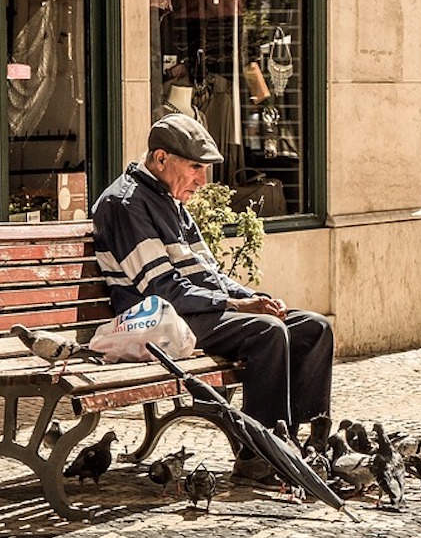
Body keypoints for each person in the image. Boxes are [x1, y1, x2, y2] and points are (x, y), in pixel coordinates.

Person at [91, 114, 334, 488]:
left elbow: (209, 274)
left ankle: (300, 446)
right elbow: (160, 290)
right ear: (160, 159)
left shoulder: (170, 199)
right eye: (195, 168)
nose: (202, 181)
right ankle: (258, 459)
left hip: (189, 312)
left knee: (314, 328)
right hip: (155, 322)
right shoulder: (127, 204)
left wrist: (251, 296)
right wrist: (239, 307)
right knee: (266, 332)